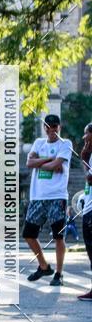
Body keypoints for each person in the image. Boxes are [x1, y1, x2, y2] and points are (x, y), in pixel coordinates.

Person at [23, 114, 73, 287]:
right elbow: (29, 163)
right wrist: (50, 160)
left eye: (55, 127)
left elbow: (54, 165)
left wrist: (40, 162)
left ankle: (58, 274)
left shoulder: (65, 144)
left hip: (56, 196)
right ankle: (44, 266)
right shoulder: (38, 143)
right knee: (28, 234)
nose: (52, 130)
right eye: (48, 126)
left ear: (59, 127)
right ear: (44, 127)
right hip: (37, 196)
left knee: (58, 236)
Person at [77, 122, 92, 301]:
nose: (84, 137)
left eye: (86, 134)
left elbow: (90, 179)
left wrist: (84, 157)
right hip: (88, 207)